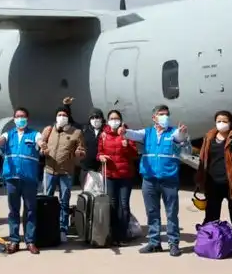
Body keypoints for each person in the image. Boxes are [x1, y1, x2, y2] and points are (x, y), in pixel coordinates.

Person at [120, 104, 189, 256]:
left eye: (166, 114)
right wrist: (124, 132)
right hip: (149, 180)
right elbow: (133, 134)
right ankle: (154, 242)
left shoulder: (173, 133)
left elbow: (180, 138)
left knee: (171, 213)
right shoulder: (148, 133)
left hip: (169, 179)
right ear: (154, 117)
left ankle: (173, 243)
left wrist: (183, 134)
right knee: (152, 212)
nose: (165, 116)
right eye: (161, 114)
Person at [195, 110, 232, 254]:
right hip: (213, 183)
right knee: (211, 215)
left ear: (231, 122)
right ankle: (208, 242)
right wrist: (200, 179)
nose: (222, 123)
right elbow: (203, 157)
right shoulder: (209, 137)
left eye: (225, 121)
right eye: (219, 120)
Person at [0, 107, 41, 254]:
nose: (20, 119)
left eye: (23, 116)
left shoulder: (34, 134)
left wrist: (42, 144)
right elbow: (1, 141)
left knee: (31, 210)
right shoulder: (9, 134)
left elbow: (40, 140)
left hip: (29, 179)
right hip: (12, 179)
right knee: (13, 210)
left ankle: (30, 241)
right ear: (14, 119)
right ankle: (14, 241)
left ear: (27, 118)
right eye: (18, 116)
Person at [38, 105, 86, 243]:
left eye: (64, 115)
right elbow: (40, 147)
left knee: (64, 202)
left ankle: (63, 229)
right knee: (47, 200)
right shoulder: (49, 130)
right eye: (59, 115)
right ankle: (48, 227)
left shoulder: (76, 132)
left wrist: (80, 154)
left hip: (66, 172)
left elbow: (82, 150)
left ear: (68, 117)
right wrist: (43, 152)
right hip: (49, 171)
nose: (61, 117)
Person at [97, 109, 139, 244]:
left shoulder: (127, 134)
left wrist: (126, 146)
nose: (114, 121)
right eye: (111, 118)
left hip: (125, 175)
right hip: (109, 175)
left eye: (116, 118)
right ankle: (113, 234)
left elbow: (134, 154)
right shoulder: (103, 135)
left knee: (124, 205)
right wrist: (101, 157)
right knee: (112, 205)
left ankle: (123, 234)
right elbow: (99, 153)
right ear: (108, 120)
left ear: (120, 120)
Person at [80, 109, 106, 192]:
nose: (95, 119)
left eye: (97, 117)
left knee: (100, 193)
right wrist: (67, 106)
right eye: (92, 117)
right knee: (86, 192)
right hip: (86, 168)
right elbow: (71, 122)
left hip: (100, 168)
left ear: (102, 118)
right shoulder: (85, 130)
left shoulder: (106, 131)